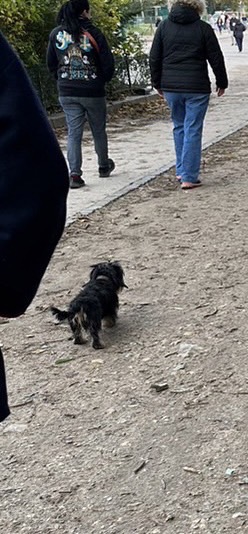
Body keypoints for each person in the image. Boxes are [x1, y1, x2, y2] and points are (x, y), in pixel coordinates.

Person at [0, 30, 69, 423]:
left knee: (75, 124)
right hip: (87, 87)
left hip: (68, 85)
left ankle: (81, 162)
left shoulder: (58, 34)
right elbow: (36, 170)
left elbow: (50, 60)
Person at [149, 0, 228, 190]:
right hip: (196, 86)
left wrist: (157, 83)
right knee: (193, 128)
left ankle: (181, 169)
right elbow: (215, 57)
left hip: (171, 87)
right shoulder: (203, 28)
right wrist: (221, 81)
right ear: (198, 6)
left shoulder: (164, 27)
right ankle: (189, 176)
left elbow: (154, 56)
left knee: (179, 126)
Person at [46, 0, 116, 189]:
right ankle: (103, 165)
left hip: (67, 90)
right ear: (84, 12)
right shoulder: (94, 33)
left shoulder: (56, 34)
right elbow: (107, 63)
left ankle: (75, 174)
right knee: (98, 129)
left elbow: (51, 63)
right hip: (92, 90)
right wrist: (102, 80)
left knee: (73, 133)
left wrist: (62, 79)